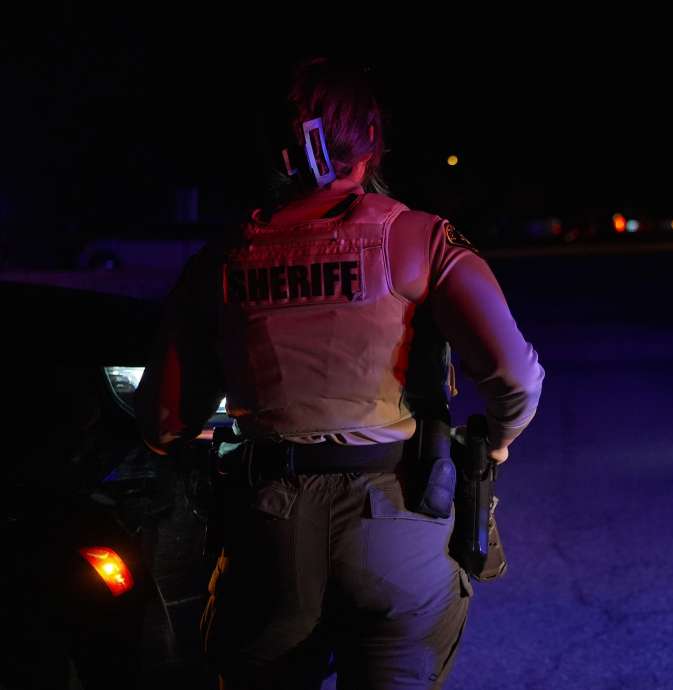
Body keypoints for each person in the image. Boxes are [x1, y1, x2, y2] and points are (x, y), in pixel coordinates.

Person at [136, 59, 544, 689]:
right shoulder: (419, 239)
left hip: (267, 539)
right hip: (398, 521)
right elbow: (514, 376)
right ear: (373, 144)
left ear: (278, 152)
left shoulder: (219, 262)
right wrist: (494, 439)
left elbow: (163, 422)